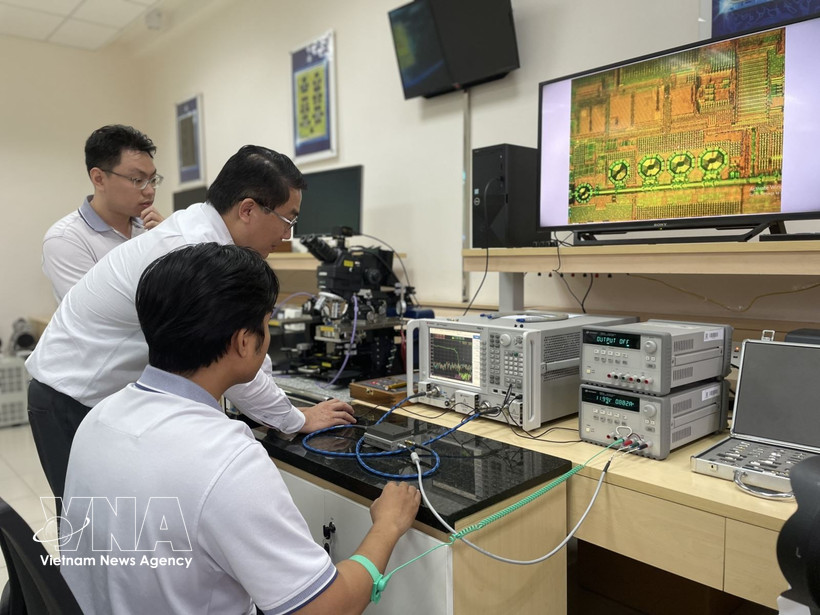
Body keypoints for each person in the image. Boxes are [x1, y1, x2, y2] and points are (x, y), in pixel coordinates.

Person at [61, 243, 421, 614]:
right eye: (266, 324)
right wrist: (388, 525)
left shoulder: (99, 418)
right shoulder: (226, 460)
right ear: (245, 341)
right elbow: (327, 609)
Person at [26, 145, 356, 501]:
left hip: (100, 394)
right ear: (248, 209)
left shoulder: (200, 229)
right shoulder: (193, 251)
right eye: (289, 220)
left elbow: (242, 345)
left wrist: (277, 401)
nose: (288, 235)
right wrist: (297, 419)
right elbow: (228, 358)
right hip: (70, 394)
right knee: (94, 532)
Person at [42, 124, 165, 303]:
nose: (150, 191)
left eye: (153, 179)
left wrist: (170, 244)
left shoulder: (153, 229)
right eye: (138, 180)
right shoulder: (65, 239)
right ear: (99, 179)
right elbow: (98, 310)